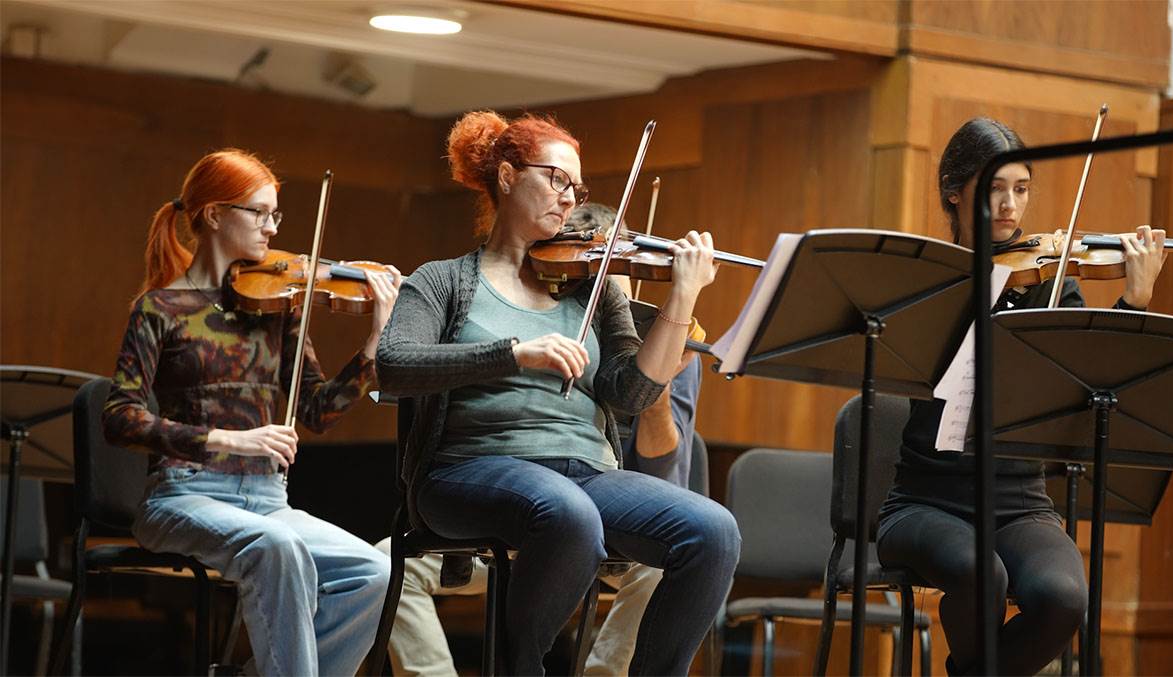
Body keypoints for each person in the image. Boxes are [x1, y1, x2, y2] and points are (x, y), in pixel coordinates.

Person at [375, 111, 740, 676]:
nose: (569, 199)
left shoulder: (589, 284)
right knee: (568, 514)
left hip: (585, 473)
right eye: (556, 179)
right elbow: (395, 366)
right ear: (505, 176)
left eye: (578, 187)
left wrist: (683, 297)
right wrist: (515, 352)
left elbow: (633, 393)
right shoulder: (443, 280)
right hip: (467, 469)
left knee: (713, 531)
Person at [875, 118, 1168, 675]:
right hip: (926, 501)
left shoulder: (1054, 282)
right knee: (981, 574)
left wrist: (1135, 298)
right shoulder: (930, 283)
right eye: (994, 189)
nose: (1010, 206)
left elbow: (1095, 383)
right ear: (954, 195)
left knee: (1064, 598)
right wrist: (985, 290)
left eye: (1021, 188)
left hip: (1020, 502)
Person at [103, 149, 401, 676]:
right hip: (183, 495)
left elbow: (317, 411)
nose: (271, 229)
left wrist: (375, 343)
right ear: (215, 215)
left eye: (275, 216)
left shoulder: (279, 308)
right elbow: (121, 418)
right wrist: (230, 440)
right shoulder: (161, 309)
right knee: (279, 546)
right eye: (259, 213)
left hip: (268, 500)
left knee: (376, 573)